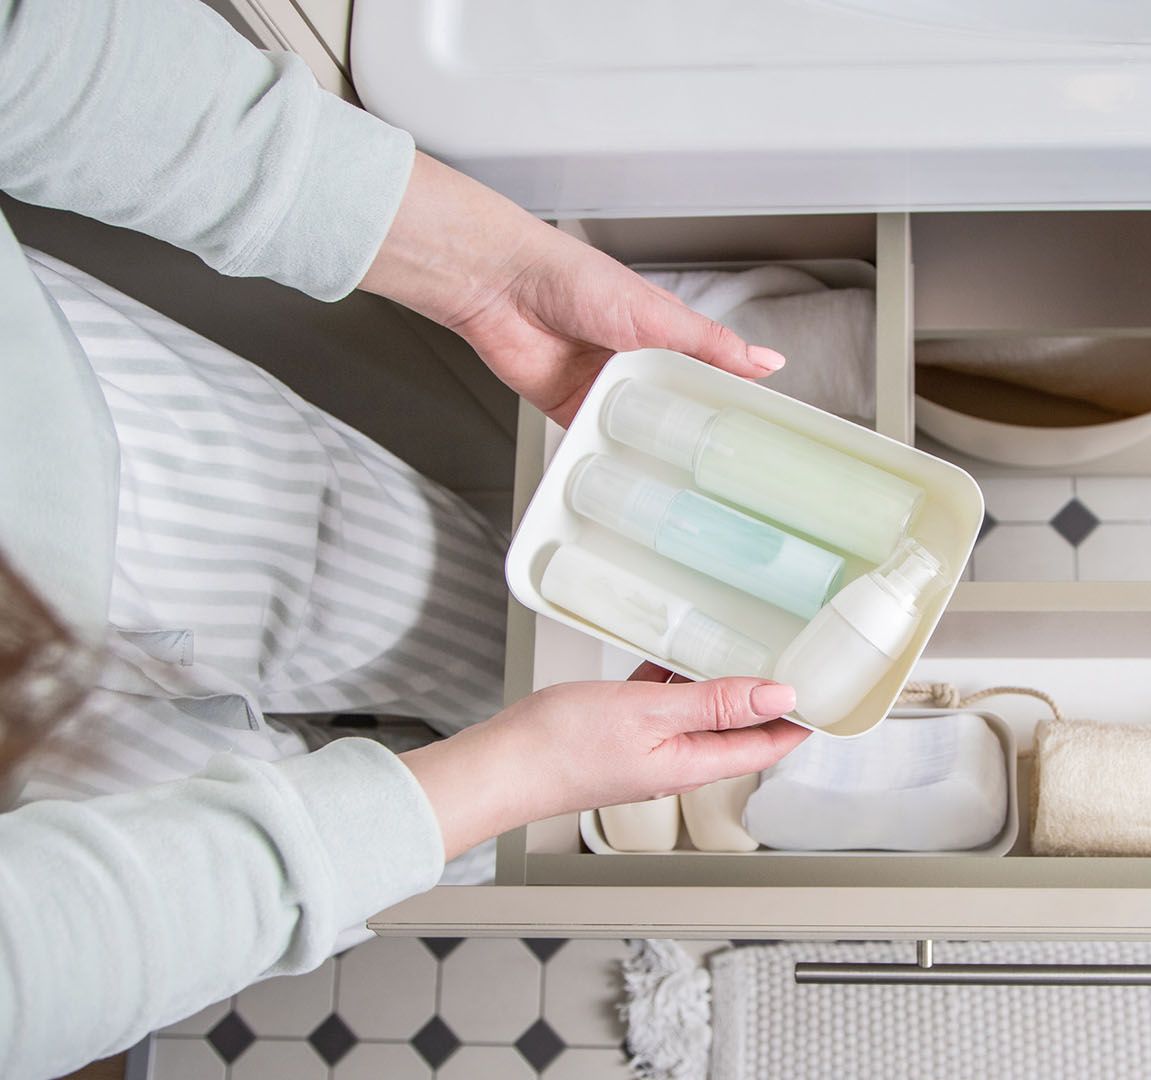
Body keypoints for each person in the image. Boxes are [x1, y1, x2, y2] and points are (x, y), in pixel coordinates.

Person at [0, 1, 812, 1075]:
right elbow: (48, 957)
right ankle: (517, 790)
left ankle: (515, 777)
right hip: (46, 809)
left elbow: (30, 46)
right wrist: (512, 777)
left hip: (78, 430)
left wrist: (484, 273)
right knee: (426, 822)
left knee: (461, 627)